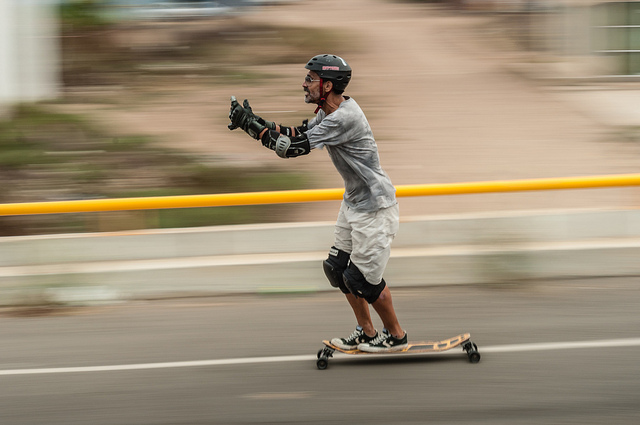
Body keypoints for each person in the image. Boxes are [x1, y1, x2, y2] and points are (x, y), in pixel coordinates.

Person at [228, 54, 407, 352]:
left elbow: (291, 148)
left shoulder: (344, 118)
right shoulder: (329, 112)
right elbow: (298, 132)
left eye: (310, 79)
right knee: (337, 270)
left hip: (375, 208)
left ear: (327, 85)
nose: (304, 84)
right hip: (353, 203)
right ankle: (366, 332)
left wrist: (252, 128)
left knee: (362, 280)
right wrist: (255, 121)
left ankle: (396, 336)